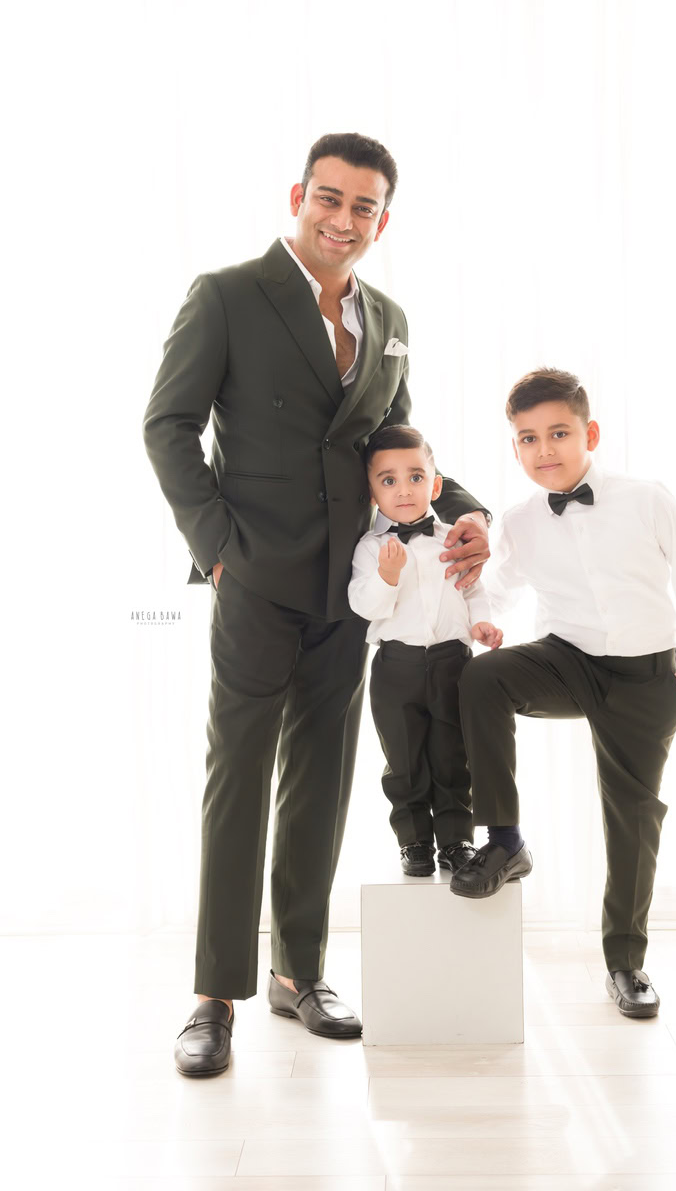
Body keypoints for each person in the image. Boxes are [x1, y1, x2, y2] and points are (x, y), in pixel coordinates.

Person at [143, 133, 491, 1075]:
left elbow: (396, 443)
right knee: (238, 782)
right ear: (299, 195)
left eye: (364, 207)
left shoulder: (388, 316)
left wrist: (467, 512)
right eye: (329, 199)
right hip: (255, 580)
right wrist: (217, 551)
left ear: (384, 219)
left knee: (323, 779)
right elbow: (167, 424)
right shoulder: (226, 295)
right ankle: (215, 996)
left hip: (354, 589)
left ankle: (300, 973)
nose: (343, 220)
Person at [451, 368, 676, 1019]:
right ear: (514, 448)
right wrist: (478, 610)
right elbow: (503, 588)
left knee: (632, 817)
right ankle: (505, 839)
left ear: (589, 432)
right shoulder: (518, 521)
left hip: (646, 674)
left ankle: (626, 962)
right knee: (482, 677)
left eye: (559, 433)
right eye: (527, 439)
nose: (544, 450)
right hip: (566, 659)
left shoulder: (645, 497)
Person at [348, 425, 503, 876]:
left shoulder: (454, 538)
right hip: (397, 666)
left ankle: (456, 840)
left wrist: (482, 623)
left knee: (453, 753)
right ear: (372, 491)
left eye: (416, 477)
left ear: (436, 485)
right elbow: (363, 605)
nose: (404, 490)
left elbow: (473, 588)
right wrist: (387, 577)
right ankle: (413, 841)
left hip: (453, 662)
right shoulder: (371, 548)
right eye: (388, 480)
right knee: (404, 758)